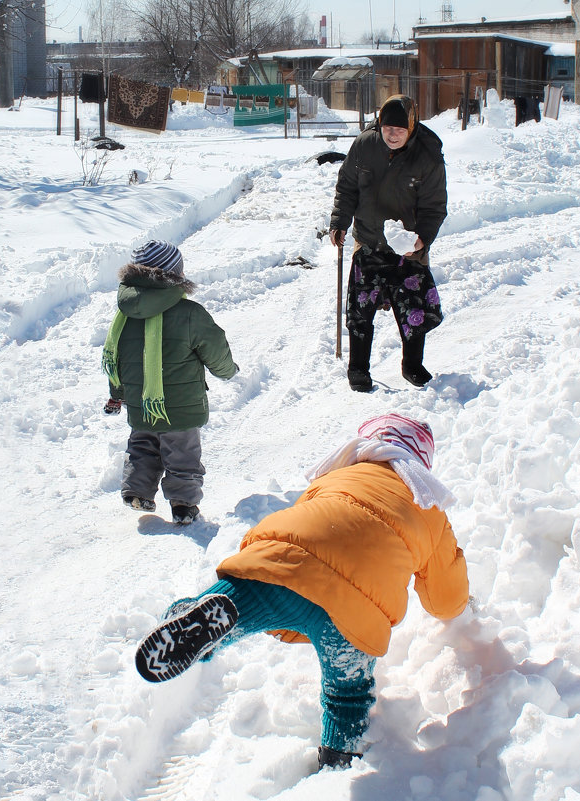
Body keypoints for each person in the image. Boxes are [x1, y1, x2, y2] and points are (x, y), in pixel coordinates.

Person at [134, 413, 469, 769]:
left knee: (237, 600)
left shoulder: (338, 474)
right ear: (420, 462)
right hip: (353, 613)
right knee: (348, 695)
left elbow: (306, 518)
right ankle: (339, 760)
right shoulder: (428, 505)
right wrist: (462, 609)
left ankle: (191, 615)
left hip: (288, 569)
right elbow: (445, 596)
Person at [102, 240, 239, 525]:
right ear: (174, 274)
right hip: (181, 407)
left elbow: (118, 358)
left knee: (142, 446)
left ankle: (137, 490)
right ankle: (183, 504)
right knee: (183, 455)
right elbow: (215, 348)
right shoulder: (190, 313)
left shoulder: (124, 316)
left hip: (141, 404)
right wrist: (227, 371)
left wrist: (117, 393)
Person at [329, 94, 448, 392]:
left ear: (411, 126)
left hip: (407, 247)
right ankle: (357, 369)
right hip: (368, 239)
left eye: (399, 129)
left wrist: (421, 240)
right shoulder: (364, 145)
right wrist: (339, 222)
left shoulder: (428, 155)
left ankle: (412, 365)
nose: (392, 135)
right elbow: (347, 188)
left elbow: (435, 206)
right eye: (386, 128)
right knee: (360, 308)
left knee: (413, 307)